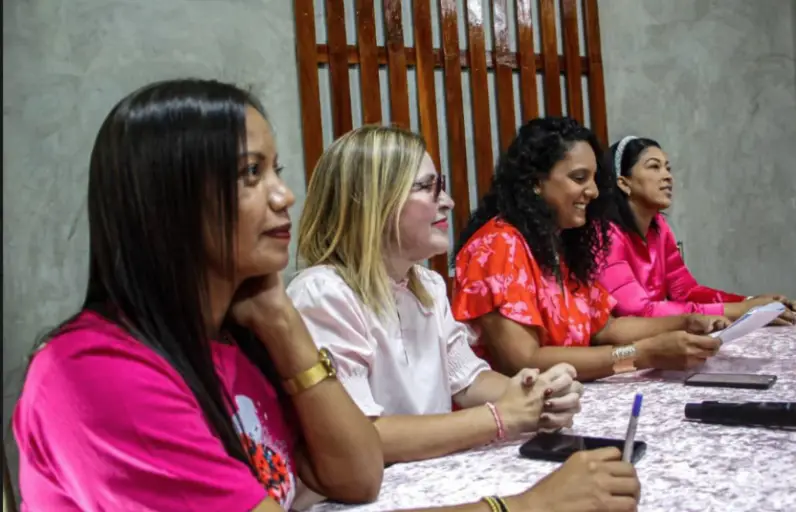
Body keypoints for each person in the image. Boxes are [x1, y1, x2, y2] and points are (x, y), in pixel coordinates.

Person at [12, 79, 384, 512]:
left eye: (274, 171)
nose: (285, 196)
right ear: (168, 202)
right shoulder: (94, 371)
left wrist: (283, 324)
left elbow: (358, 478)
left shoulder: (236, 338)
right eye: (250, 173)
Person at [286, 125, 640, 511]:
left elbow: (467, 380)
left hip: (428, 476)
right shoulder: (323, 293)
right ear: (374, 202)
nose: (449, 202)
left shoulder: (426, 284)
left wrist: (535, 395)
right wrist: (502, 417)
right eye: (427, 188)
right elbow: (362, 437)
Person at [452, 117, 729, 382]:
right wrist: (641, 355)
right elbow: (523, 361)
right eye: (579, 178)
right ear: (536, 183)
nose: (594, 191)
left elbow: (606, 328)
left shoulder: (561, 244)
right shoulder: (497, 246)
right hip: (517, 416)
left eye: (594, 179)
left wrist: (685, 322)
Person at [599, 135, 795, 323]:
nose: (667, 176)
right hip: (623, 351)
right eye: (654, 167)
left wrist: (750, 302)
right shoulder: (606, 235)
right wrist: (742, 310)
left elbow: (686, 292)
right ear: (624, 183)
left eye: (668, 168)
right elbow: (639, 312)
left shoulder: (658, 226)